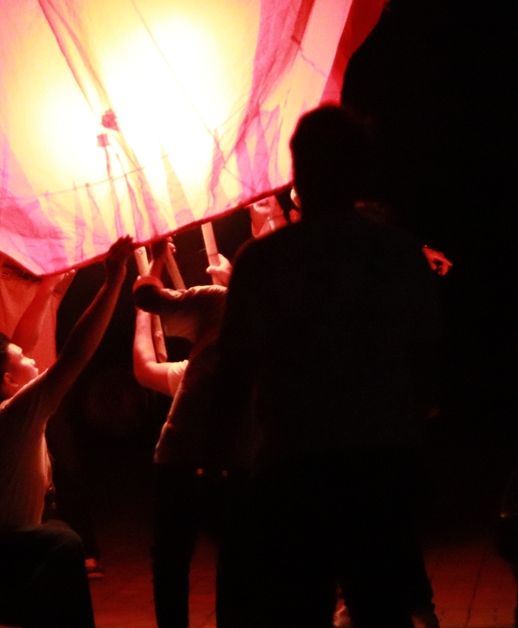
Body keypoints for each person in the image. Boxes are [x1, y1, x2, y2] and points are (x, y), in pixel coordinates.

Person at [206, 105, 443, 628]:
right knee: (383, 612)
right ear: (360, 173)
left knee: (296, 611)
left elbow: (234, 373)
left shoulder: (263, 261)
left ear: (298, 171)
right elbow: (425, 364)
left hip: (295, 469)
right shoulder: (400, 254)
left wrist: (213, 467)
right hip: (381, 466)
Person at [0, 236, 134, 628]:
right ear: (8, 381)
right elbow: (76, 354)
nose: (31, 357)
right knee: (63, 543)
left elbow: (22, 338)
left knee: (53, 532)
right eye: (23, 359)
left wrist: (45, 290)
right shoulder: (16, 414)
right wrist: (114, 281)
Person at [0, 242, 104, 577]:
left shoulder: (52, 278)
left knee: (64, 468)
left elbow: (80, 244)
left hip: (40, 384)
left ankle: (79, 548)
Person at [130, 239, 240, 628]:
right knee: (233, 561)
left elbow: (147, 298)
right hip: (232, 457)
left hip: (195, 453)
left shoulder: (222, 300)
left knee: (173, 561)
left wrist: (157, 259)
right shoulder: (288, 315)